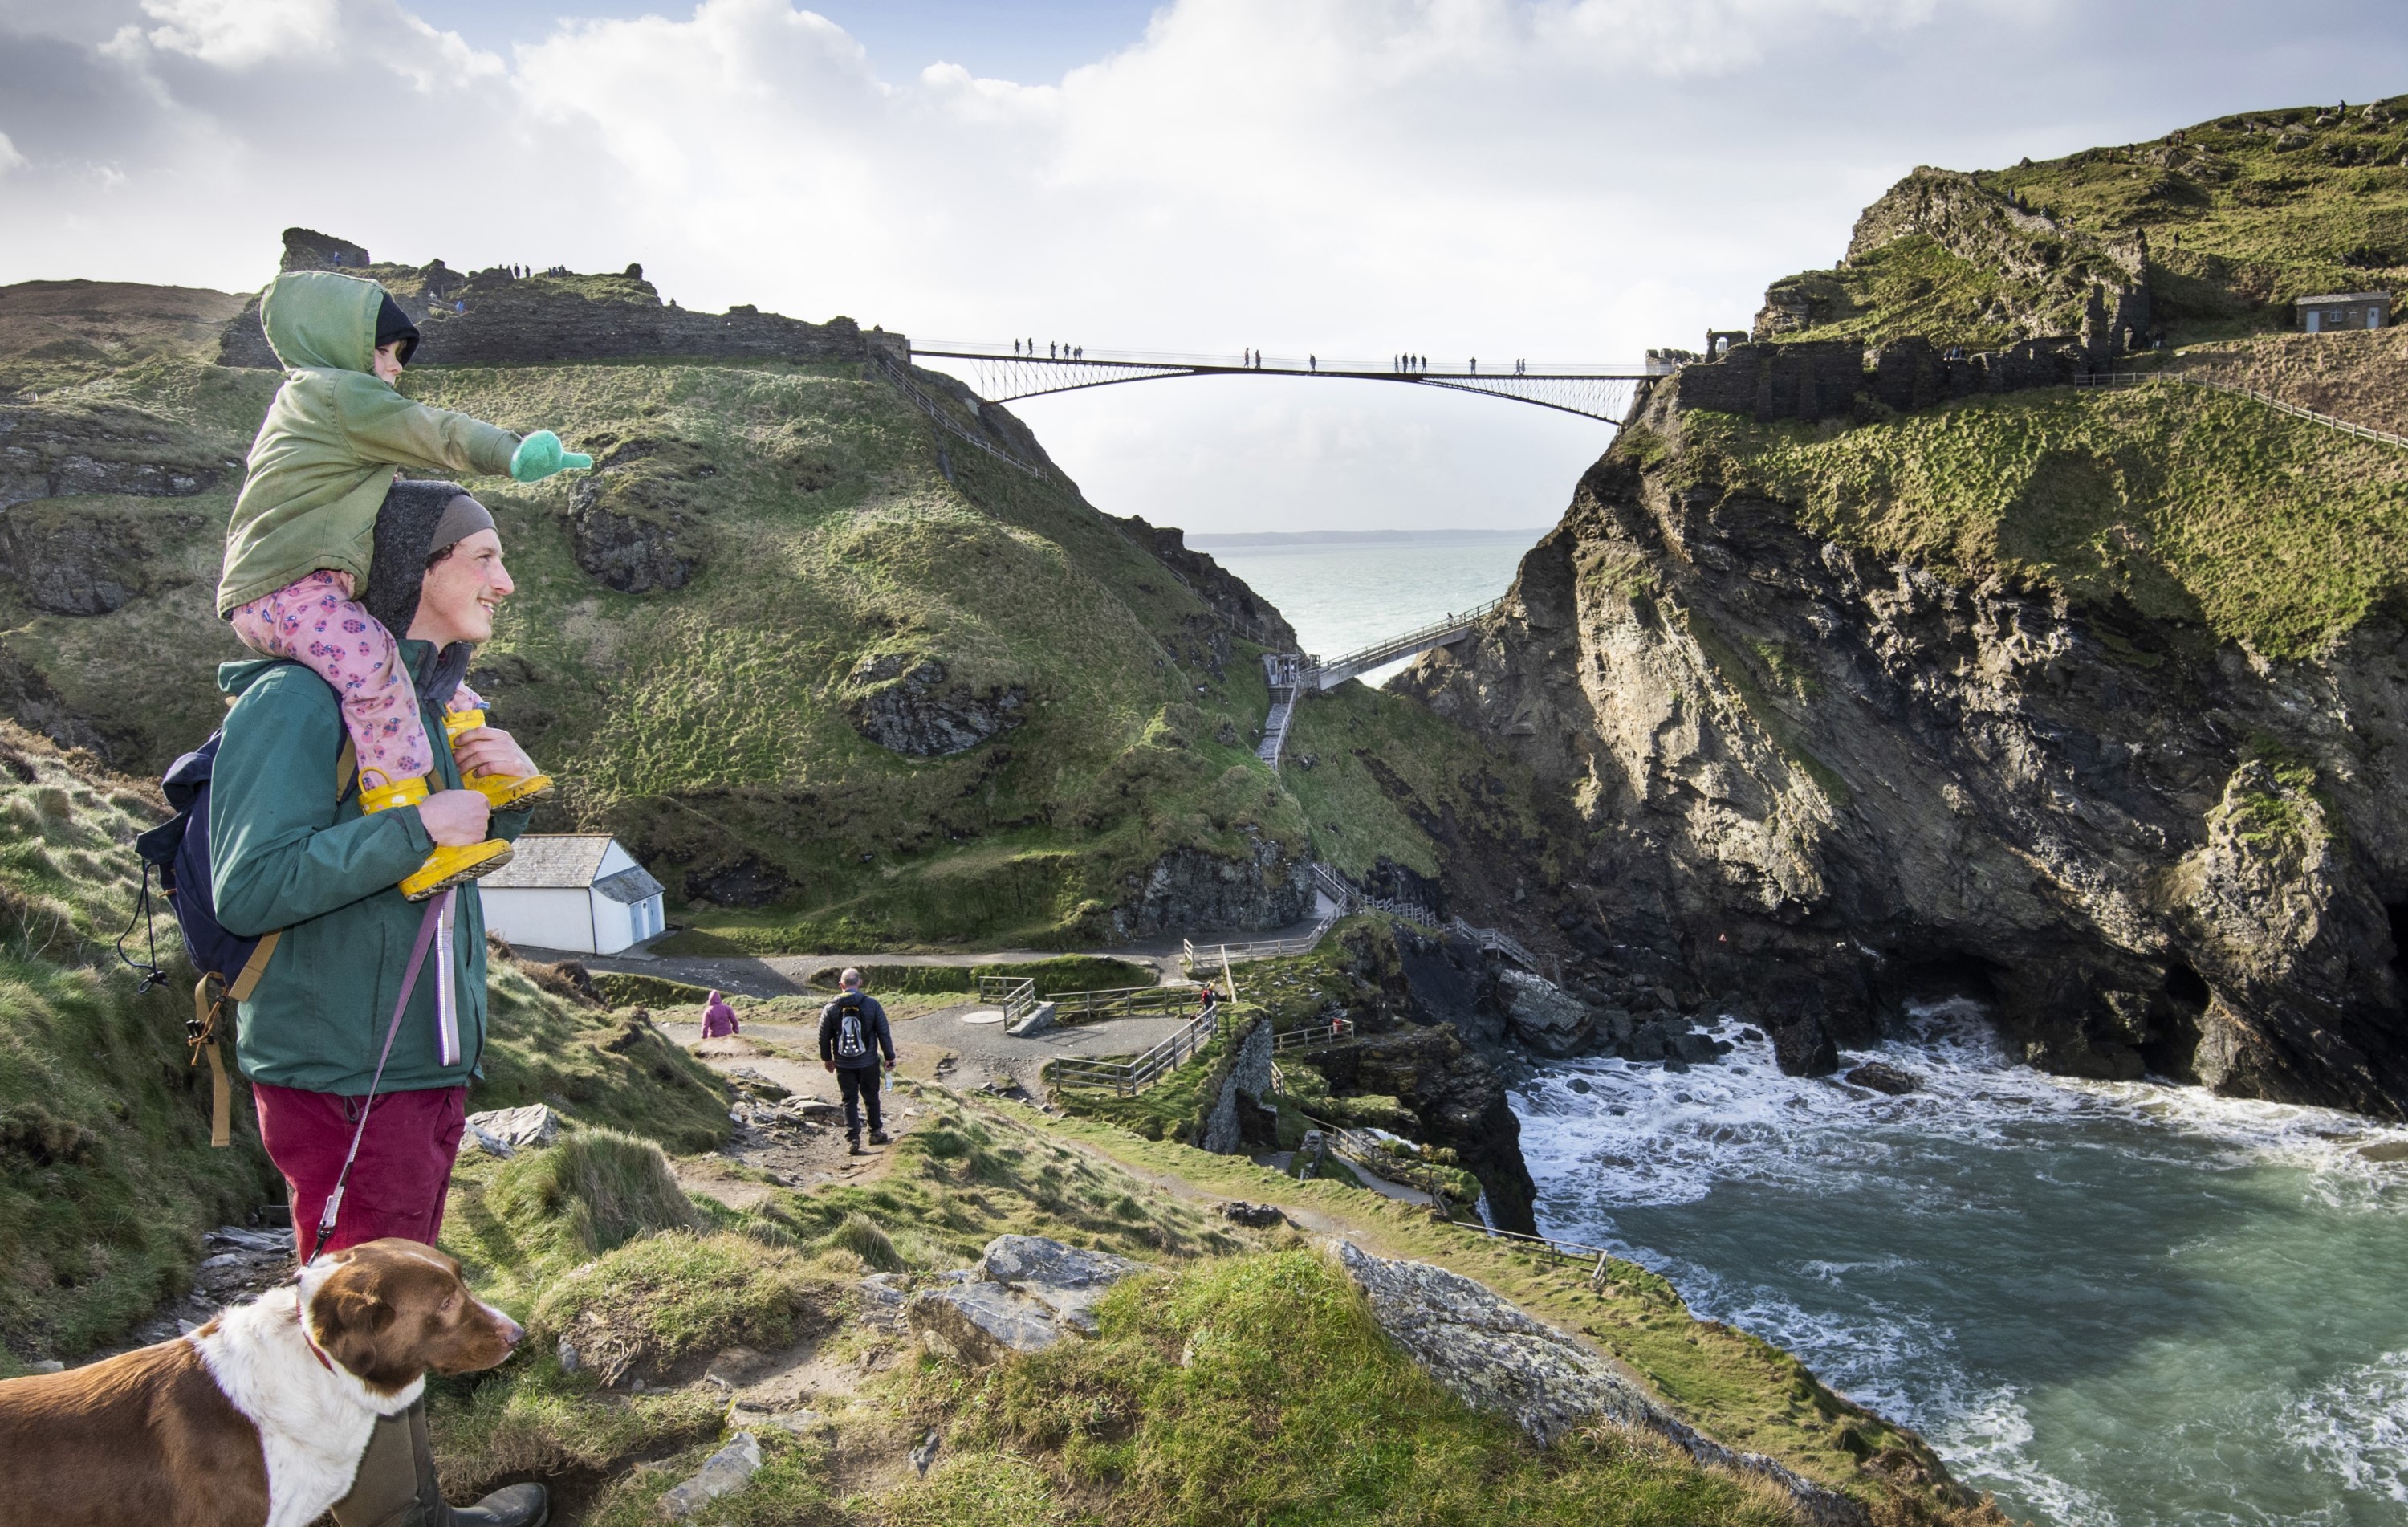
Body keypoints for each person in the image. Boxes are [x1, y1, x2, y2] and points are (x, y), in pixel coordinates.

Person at [209, 482, 547, 1527]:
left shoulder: (423, 707)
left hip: (414, 1068)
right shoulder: (299, 700)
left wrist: (511, 800)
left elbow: (438, 876)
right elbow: (251, 882)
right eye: (482, 555)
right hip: (347, 1073)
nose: (503, 578)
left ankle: (398, 1505)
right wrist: (416, 831)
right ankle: (397, 1518)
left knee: (387, 1303)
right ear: (417, 566)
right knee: (370, 1317)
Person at [218, 269, 588, 903]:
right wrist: (512, 453)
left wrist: (504, 810)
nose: (394, 369)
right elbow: (431, 430)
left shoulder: (313, 412)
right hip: (283, 588)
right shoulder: (335, 394)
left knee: (436, 686)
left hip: (298, 586)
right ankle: (397, 796)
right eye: (384, 350)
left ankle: (481, 775)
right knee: (376, 665)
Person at [817, 968, 895, 1155]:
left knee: (849, 1100)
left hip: (844, 1064)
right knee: (871, 1096)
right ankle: (875, 1132)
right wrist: (889, 1056)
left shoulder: (830, 1007)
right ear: (860, 983)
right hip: (868, 1061)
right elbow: (883, 1032)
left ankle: (853, 1140)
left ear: (841, 985)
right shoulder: (872, 1005)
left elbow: (823, 1036)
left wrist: (827, 1058)